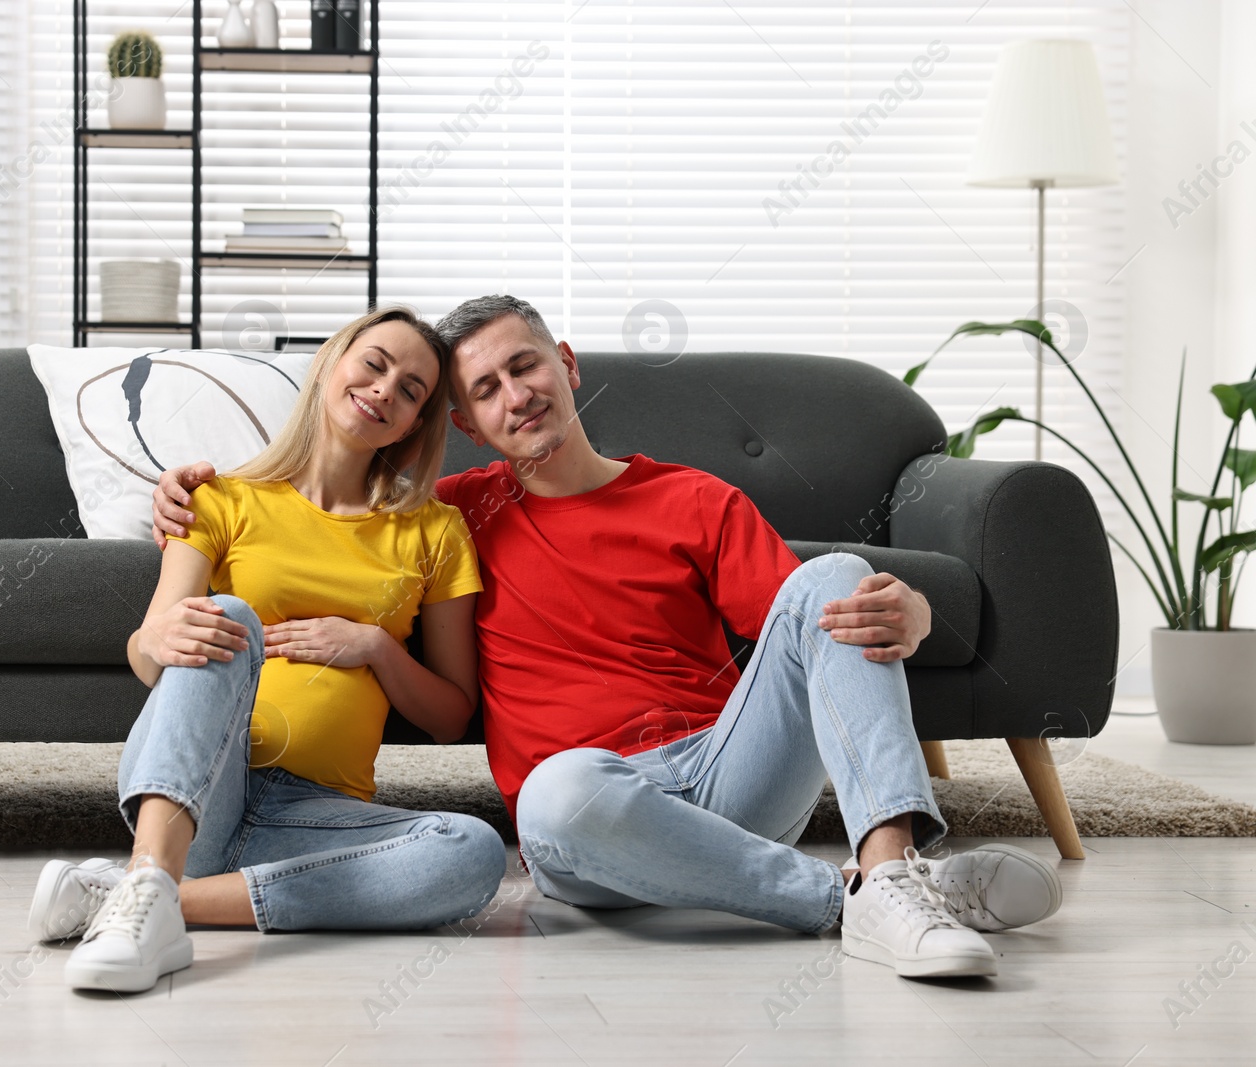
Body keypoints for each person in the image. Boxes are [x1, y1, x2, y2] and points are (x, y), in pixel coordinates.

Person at [152, 294, 1064, 981]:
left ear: (568, 365)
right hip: (584, 813)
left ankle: (892, 870)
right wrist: (185, 494)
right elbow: (328, 515)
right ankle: (866, 900)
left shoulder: (694, 498)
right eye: (485, 389)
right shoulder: (452, 522)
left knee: (830, 579)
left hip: (725, 775)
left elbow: (814, 635)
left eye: (526, 367)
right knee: (553, 792)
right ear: (464, 424)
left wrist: (919, 613)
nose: (516, 396)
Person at [29, 306, 507, 994]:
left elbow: (450, 714)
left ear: (414, 424)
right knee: (224, 613)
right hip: (200, 788)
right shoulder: (220, 497)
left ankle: (143, 893)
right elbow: (150, 650)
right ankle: (153, 883)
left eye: (410, 390)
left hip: (314, 814)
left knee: (472, 852)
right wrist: (151, 637)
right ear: (331, 364)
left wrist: (373, 645)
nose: (384, 389)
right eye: (374, 364)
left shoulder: (434, 531)